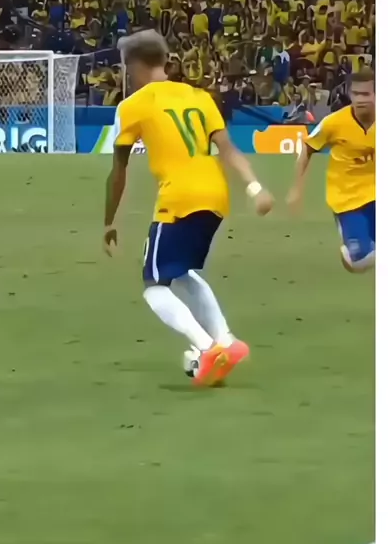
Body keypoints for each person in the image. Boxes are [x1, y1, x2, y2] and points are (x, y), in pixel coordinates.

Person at [103, 30, 274, 386]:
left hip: (178, 198)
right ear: (166, 60)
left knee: (154, 285)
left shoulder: (133, 105)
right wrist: (255, 187)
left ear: (133, 66)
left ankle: (208, 348)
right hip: (215, 195)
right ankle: (226, 340)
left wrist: (109, 223)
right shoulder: (199, 97)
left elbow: (119, 170)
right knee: (180, 271)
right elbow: (228, 149)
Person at [287, 68, 375, 273]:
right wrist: (296, 189)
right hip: (346, 198)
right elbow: (307, 149)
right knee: (358, 263)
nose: (360, 100)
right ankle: (356, 250)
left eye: (366, 94)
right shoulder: (334, 123)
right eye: (356, 94)